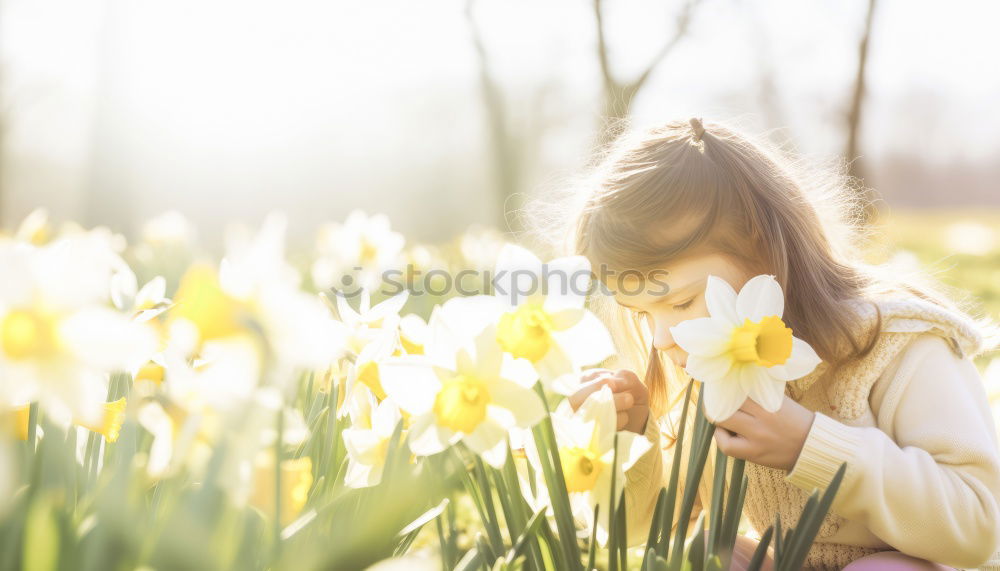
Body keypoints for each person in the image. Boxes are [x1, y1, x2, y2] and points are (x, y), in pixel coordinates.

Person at [553, 118, 1000, 569]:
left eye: (682, 301)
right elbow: (650, 530)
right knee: (710, 552)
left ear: (761, 243)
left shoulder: (897, 345)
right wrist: (627, 448)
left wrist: (810, 446)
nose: (662, 338)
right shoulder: (707, 370)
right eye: (643, 314)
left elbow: (981, 525)